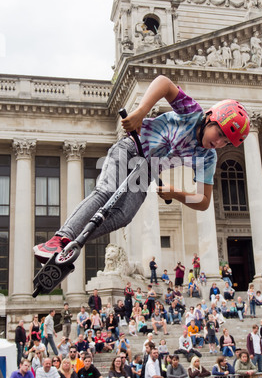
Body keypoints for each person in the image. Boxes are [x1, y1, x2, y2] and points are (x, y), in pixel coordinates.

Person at [33, 76, 250, 265]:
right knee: (106, 193)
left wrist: (176, 194)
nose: (220, 142)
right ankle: (58, 240)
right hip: (131, 149)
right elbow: (164, 83)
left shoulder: (208, 158)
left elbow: (203, 201)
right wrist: (140, 113)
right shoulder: (192, 114)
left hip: (146, 172)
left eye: (226, 142)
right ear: (210, 118)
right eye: (220, 133)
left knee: (123, 215)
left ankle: (72, 243)